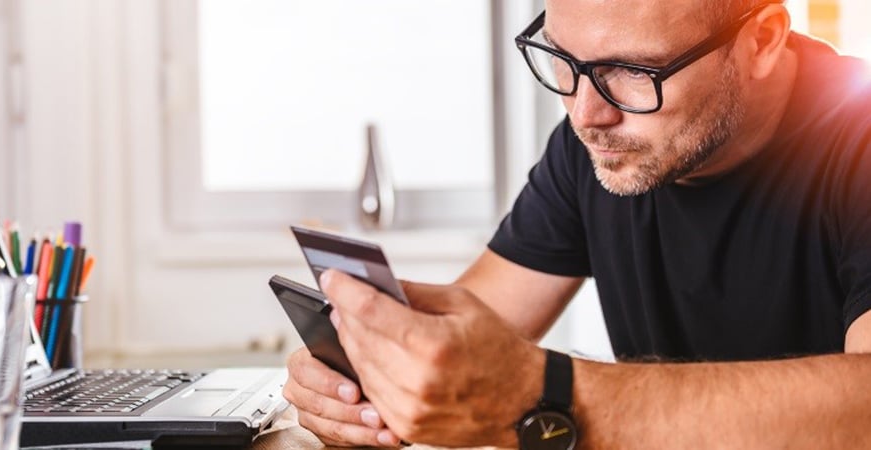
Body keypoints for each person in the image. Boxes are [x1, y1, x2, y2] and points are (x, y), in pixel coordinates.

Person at [283, 0, 871, 447]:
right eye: (563, 59)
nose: (587, 115)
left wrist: (552, 395)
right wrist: (368, 377)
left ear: (762, 39)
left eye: (635, 70)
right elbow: (474, 331)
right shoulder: (597, 147)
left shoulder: (859, 133)